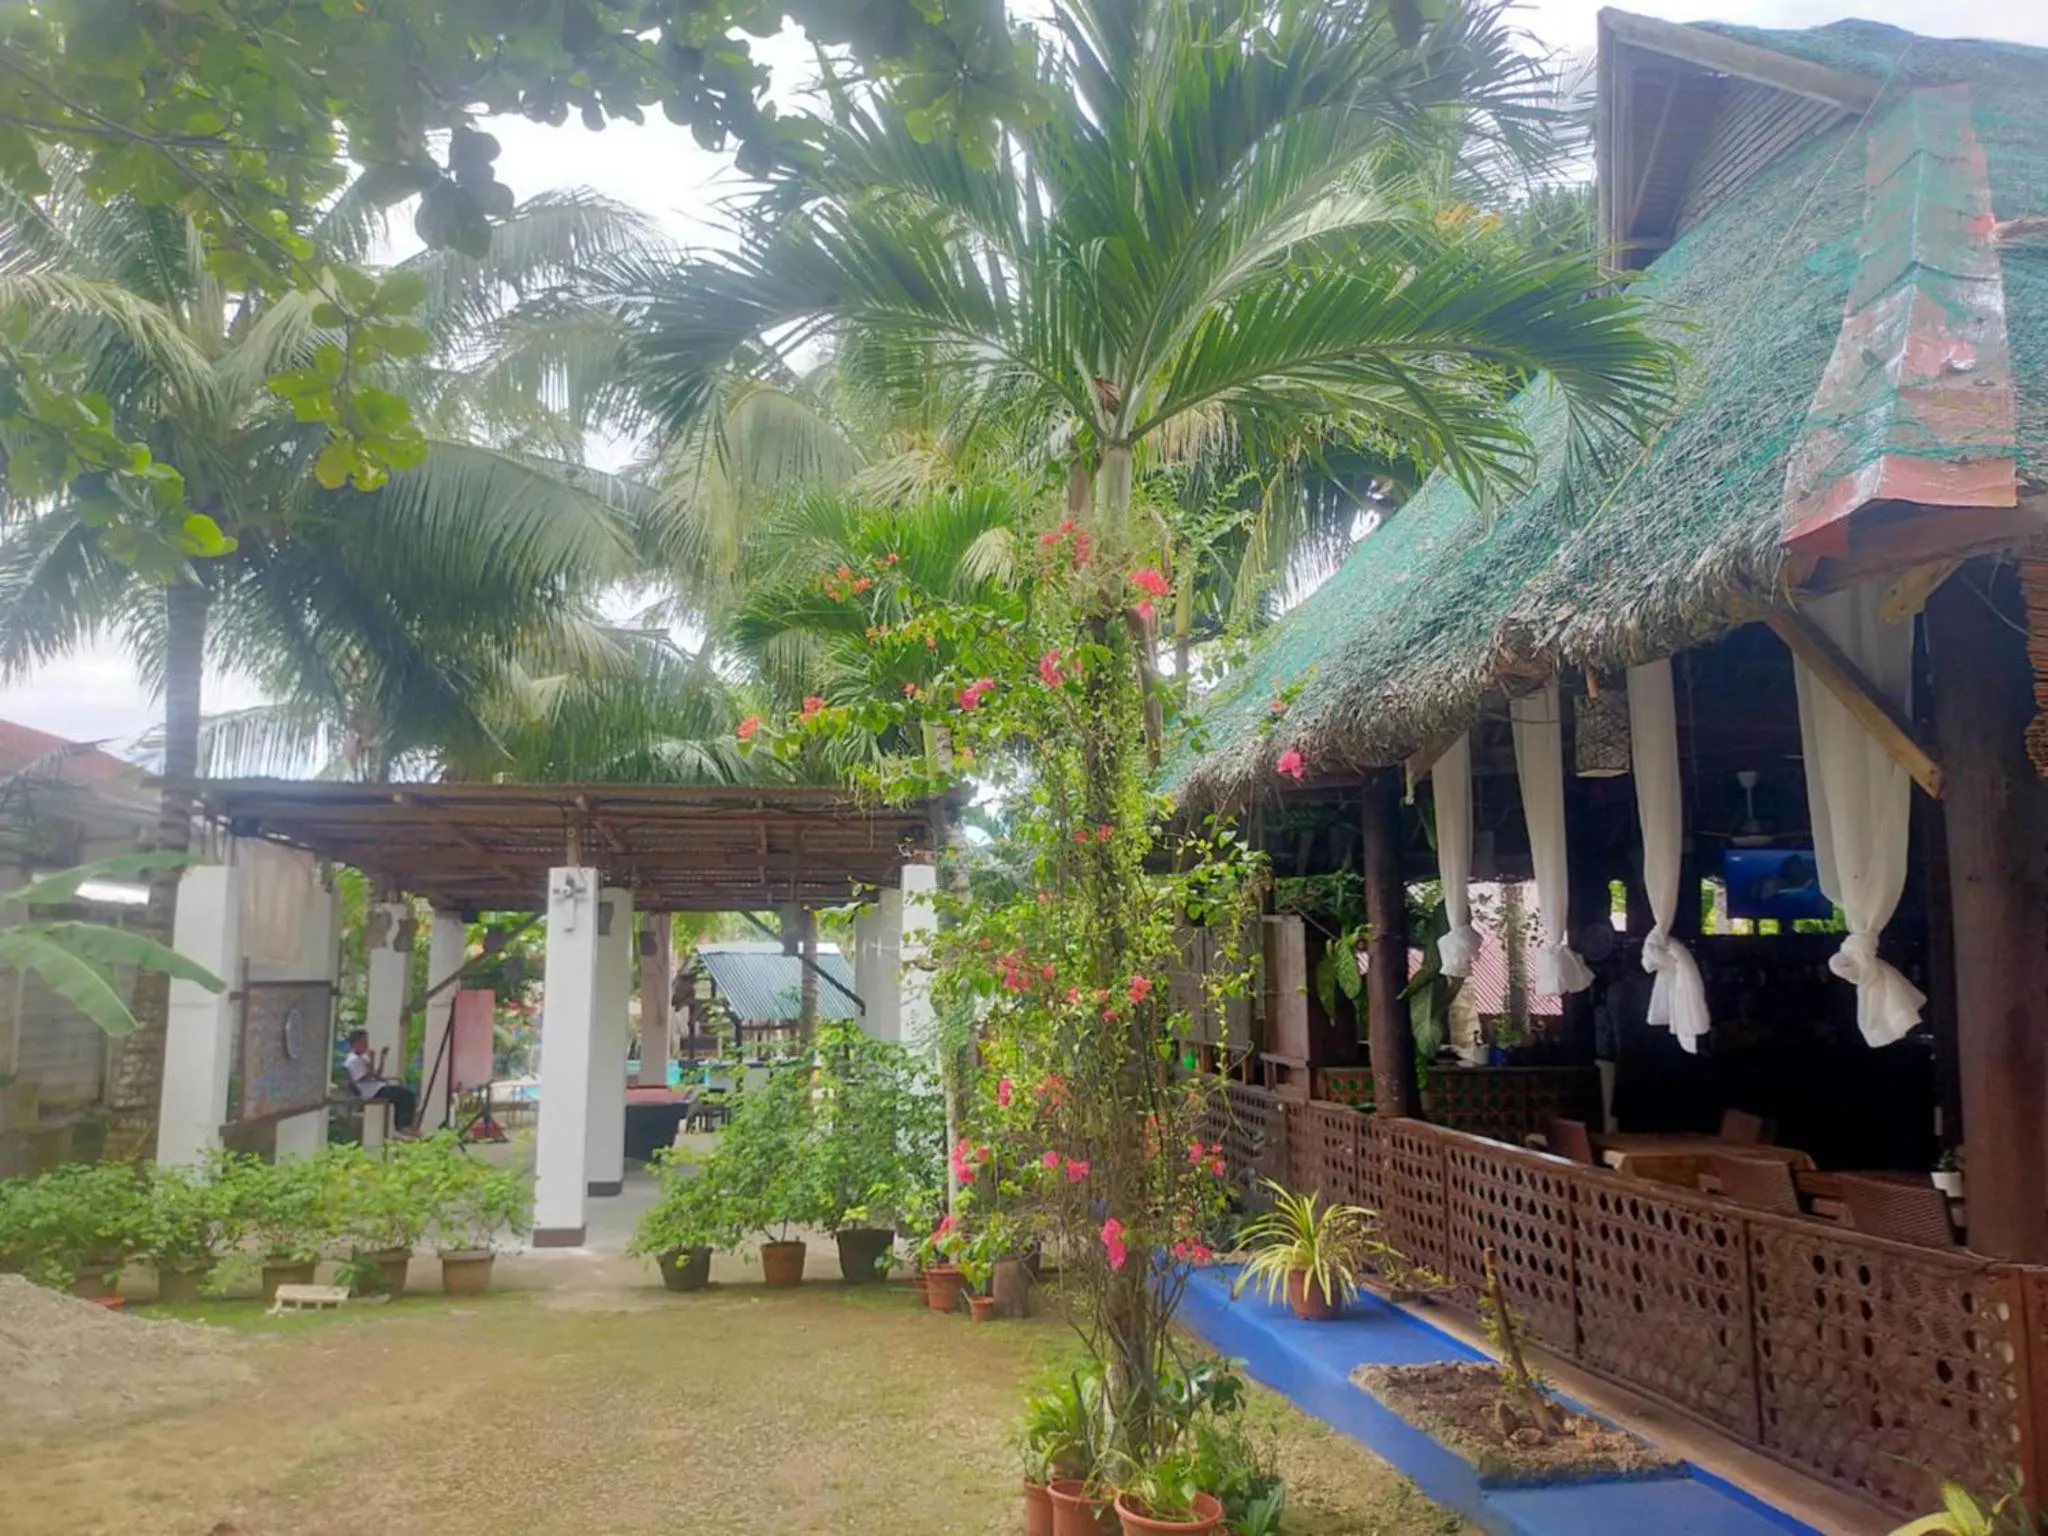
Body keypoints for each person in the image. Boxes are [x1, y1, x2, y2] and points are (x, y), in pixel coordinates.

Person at [343, 1028, 417, 1135]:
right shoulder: (352, 1060)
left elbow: (376, 1075)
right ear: (356, 1043)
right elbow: (366, 1077)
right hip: (371, 1092)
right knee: (406, 1095)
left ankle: (403, 1124)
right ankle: (403, 1125)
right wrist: (372, 1060)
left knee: (404, 1095)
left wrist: (382, 1058)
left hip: (376, 1087)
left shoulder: (361, 1059)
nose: (367, 1045)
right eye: (365, 1042)